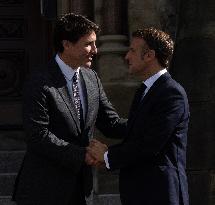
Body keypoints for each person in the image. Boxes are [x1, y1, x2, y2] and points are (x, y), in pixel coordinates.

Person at [12, 13, 125, 205]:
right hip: (44, 189)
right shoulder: (39, 81)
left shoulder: (91, 79)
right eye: (88, 44)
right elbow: (38, 135)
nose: (95, 50)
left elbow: (111, 123)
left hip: (81, 189)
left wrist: (146, 124)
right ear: (66, 44)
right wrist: (83, 155)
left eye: (95, 44)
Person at [88, 27, 190, 205]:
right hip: (141, 193)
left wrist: (107, 156)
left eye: (133, 51)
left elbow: (150, 144)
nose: (127, 57)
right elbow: (135, 131)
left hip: (160, 195)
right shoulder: (145, 90)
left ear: (149, 55)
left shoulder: (171, 93)